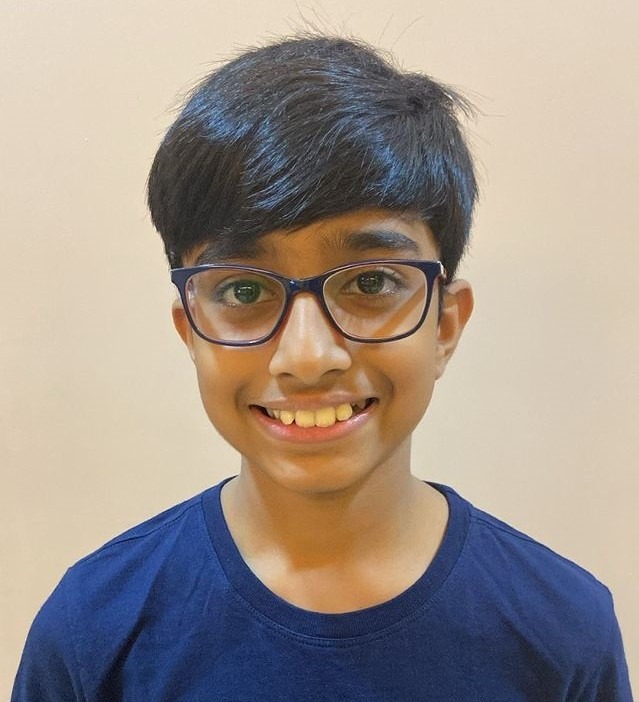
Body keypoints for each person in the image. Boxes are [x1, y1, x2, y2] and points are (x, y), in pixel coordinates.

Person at [12, 35, 633, 701]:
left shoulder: (562, 634)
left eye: (369, 282)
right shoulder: (93, 632)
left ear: (446, 325)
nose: (307, 357)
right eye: (243, 290)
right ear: (189, 330)